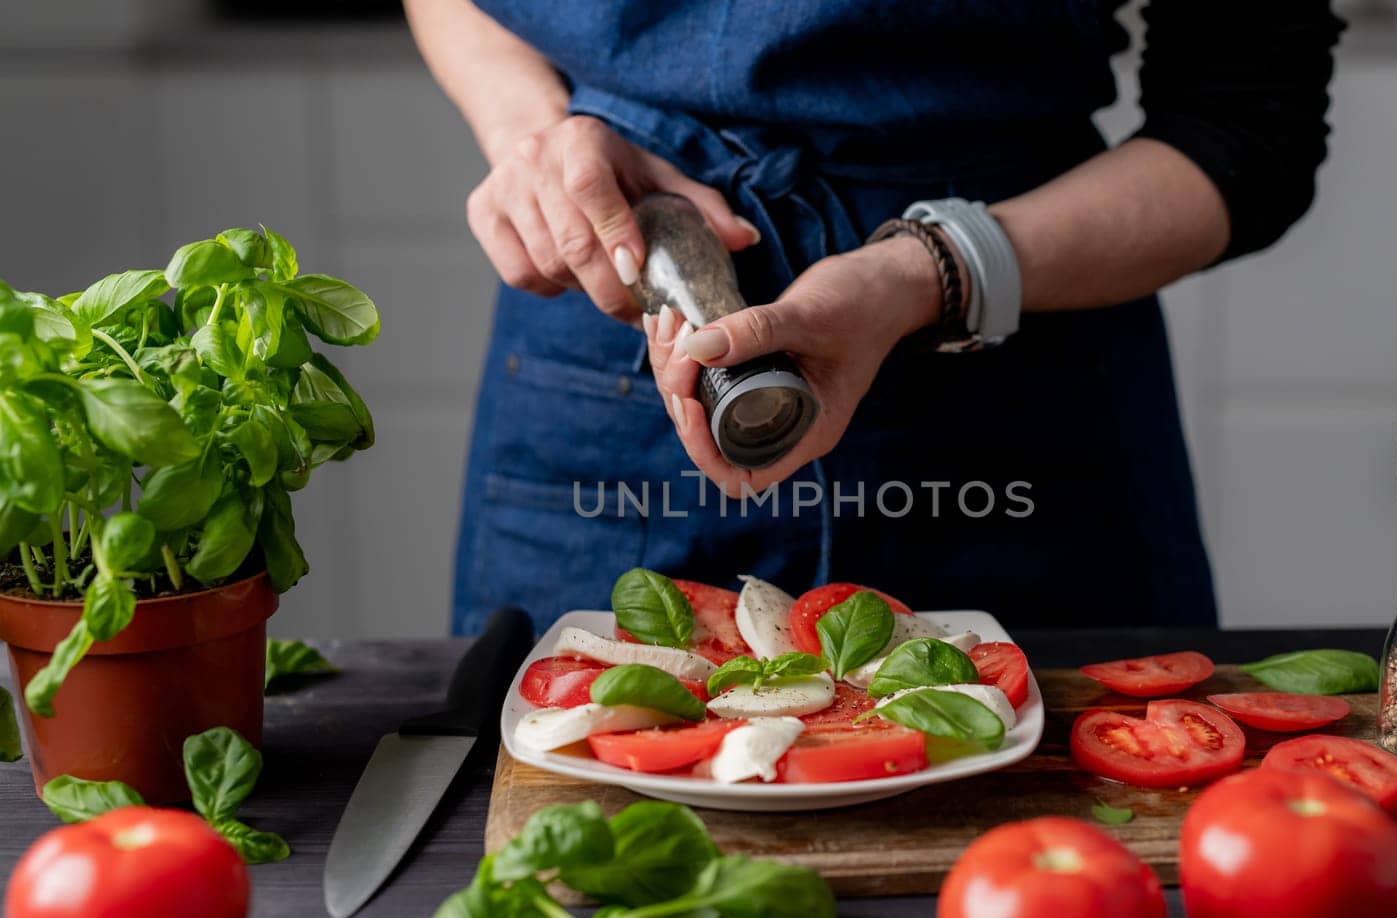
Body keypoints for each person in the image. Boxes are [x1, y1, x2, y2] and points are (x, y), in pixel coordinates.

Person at [405, 0, 1345, 636]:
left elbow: (1250, 125)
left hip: (1025, 376)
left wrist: (931, 271)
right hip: (611, 346)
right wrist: (525, 132)